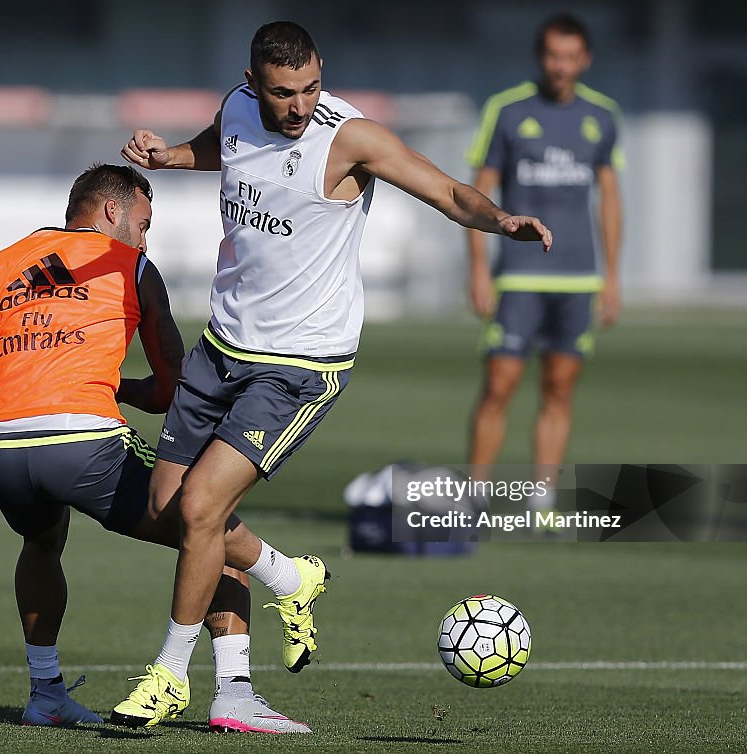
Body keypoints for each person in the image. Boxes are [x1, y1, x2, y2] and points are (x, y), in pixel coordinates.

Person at [112, 21, 552, 727]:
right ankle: (285, 587)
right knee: (174, 512)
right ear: (254, 83)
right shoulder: (237, 108)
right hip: (223, 348)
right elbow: (221, 146)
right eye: (284, 92)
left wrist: (501, 221)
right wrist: (169, 156)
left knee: (200, 511)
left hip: (298, 365)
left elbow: (443, 190)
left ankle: (169, 675)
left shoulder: (351, 138)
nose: (299, 105)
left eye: (311, 87)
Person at [0, 163, 312, 734]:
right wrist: (119, 389)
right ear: (113, 210)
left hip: (3, 451)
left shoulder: (1, 262)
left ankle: (46, 694)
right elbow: (172, 387)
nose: (144, 235)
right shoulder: (133, 268)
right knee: (205, 525)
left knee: (41, 541)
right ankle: (253, 653)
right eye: (144, 221)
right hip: (81, 444)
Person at [465, 13, 623, 498]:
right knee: (499, 384)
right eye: (554, 56)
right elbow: (479, 192)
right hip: (518, 275)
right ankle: (474, 495)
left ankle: (543, 496)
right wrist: (477, 267)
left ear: (585, 60)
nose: (561, 66)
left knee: (559, 387)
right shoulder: (507, 110)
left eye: (571, 57)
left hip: (578, 278)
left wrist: (612, 276)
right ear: (541, 57)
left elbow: (610, 197)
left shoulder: (603, 116)